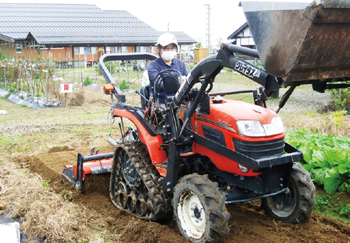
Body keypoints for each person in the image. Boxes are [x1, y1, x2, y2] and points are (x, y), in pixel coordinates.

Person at [147, 33, 188, 104]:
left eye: (172, 48)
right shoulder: (153, 65)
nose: (169, 51)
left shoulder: (181, 64)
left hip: (180, 102)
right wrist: (179, 80)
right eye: (166, 48)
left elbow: (188, 82)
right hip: (161, 103)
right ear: (159, 49)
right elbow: (159, 83)